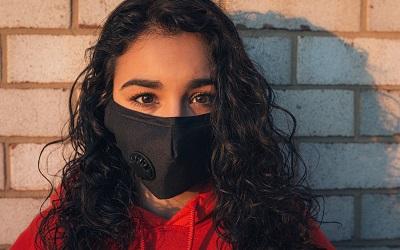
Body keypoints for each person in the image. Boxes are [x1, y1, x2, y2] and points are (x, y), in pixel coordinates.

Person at [10, 0, 336, 249]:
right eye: (145, 98)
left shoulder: (270, 217)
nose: (172, 124)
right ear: (104, 104)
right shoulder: (72, 221)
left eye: (201, 97)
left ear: (232, 103)